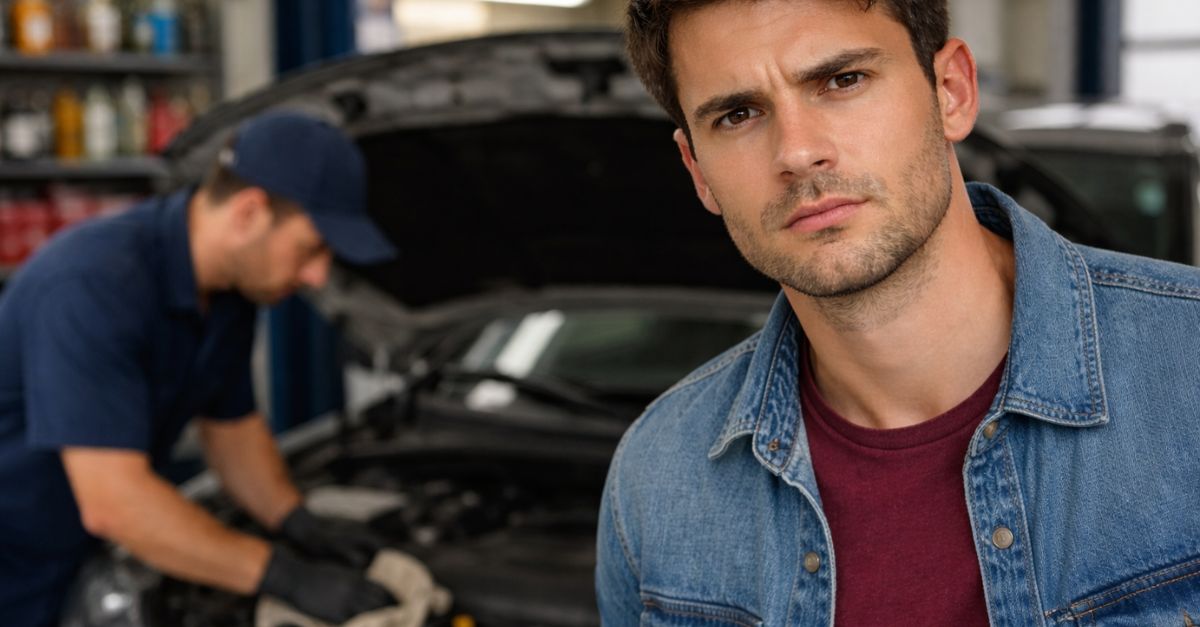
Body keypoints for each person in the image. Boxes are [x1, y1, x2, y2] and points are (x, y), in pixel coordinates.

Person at [597, 1, 1200, 625]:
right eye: (738, 114)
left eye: (842, 80)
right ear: (698, 172)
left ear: (952, 93)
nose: (798, 152)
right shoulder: (656, 477)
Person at [0, 111, 402, 626]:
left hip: (69, 558)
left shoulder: (230, 298)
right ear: (248, 213)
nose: (318, 275)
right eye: (311, 247)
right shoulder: (94, 286)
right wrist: (283, 576)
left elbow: (232, 432)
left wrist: (295, 521)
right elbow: (114, 502)